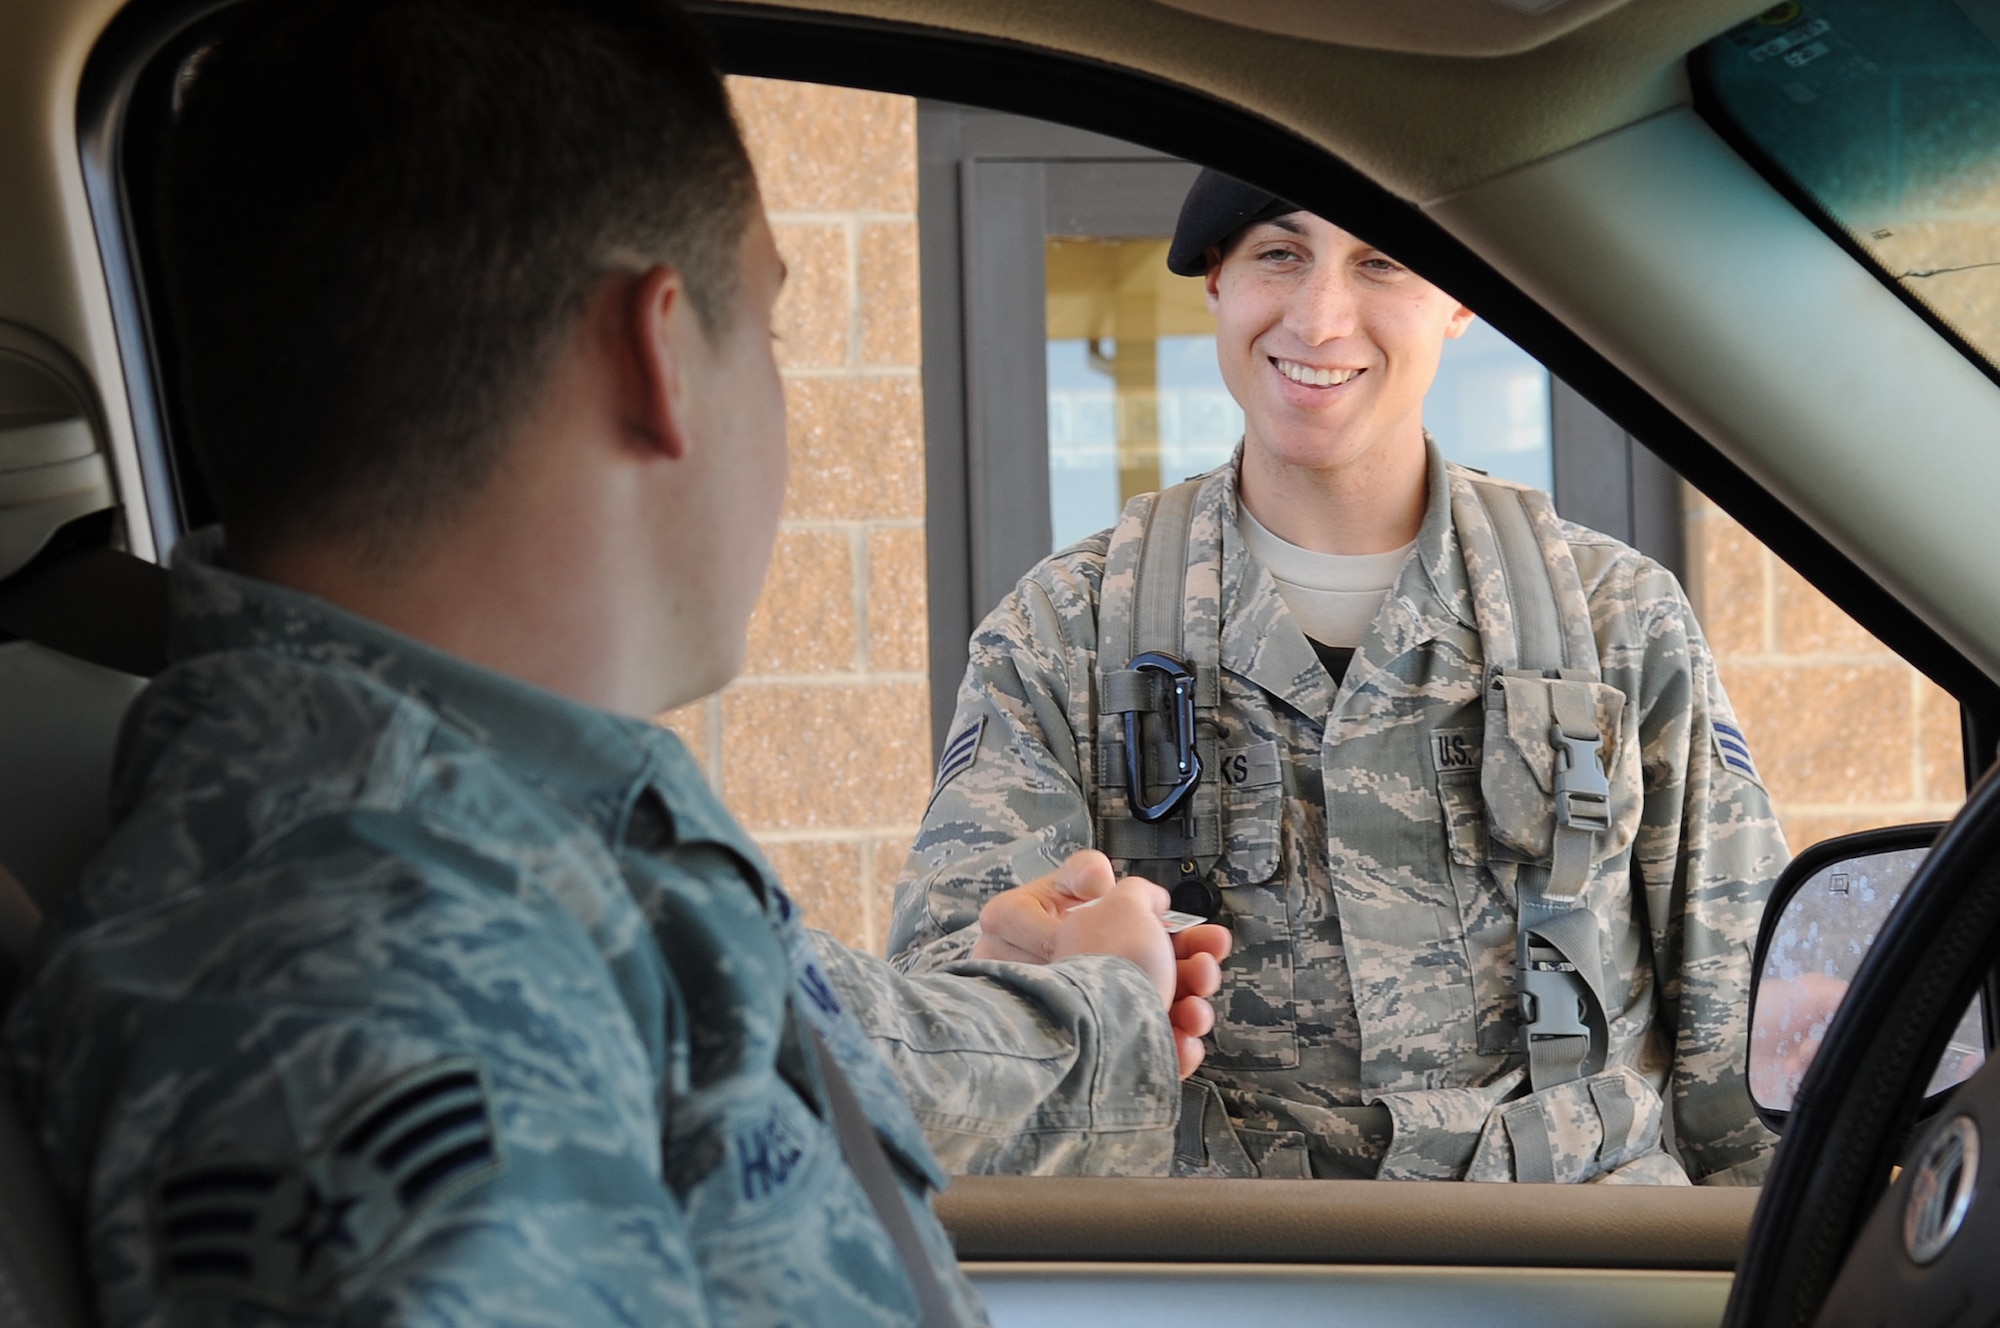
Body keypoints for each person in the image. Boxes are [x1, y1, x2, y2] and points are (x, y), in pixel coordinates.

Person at [0, 2, 1231, 1322]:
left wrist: (1091, 992)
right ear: (654, 354)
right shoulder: (384, 983)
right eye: (763, 331)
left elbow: (803, 1036)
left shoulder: (513, 836)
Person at [889, 170, 1789, 1186]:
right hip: (1225, 1279)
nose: (1320, 318)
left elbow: (1749, 1062)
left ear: (1460, 298)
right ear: (1216, 280)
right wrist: (1024, 999)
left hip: (1564, 1272)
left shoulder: (1616, 622)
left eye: (1382, 262)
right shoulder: (1062, 633)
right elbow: (941, 1055)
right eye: (1278, 253)